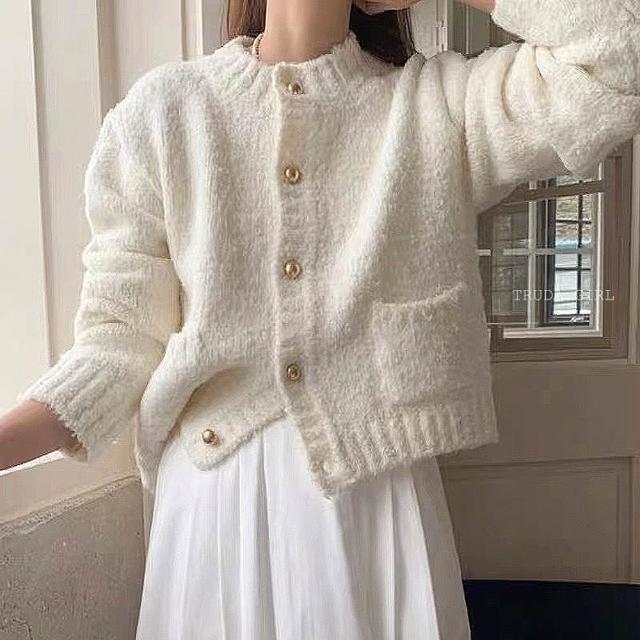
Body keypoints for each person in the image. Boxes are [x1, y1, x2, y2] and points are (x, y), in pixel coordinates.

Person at [1, 0, 639, 637]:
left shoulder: (437, 107)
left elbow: (621, 56)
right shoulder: (162, 115)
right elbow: (117, 344)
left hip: (374, 501)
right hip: (214, 506)